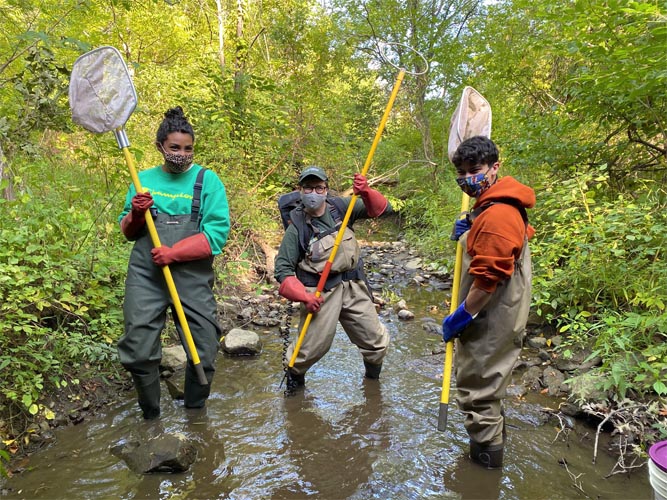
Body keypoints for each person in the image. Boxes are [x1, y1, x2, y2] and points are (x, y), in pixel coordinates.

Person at [117, 106, 230, 419]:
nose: (182, 154)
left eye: (188, 148)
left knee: (205, 351)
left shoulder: (208, 181)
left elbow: (215, 237)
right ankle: (151, 416)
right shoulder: (142, 180)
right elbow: (128, 232)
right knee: (138, 350)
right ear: (160, 147)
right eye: (175, 147)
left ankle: (195, 414)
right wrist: (137, 213)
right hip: (146, 277)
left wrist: (174, 253)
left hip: (191, 277)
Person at [442, 135, 535, 468]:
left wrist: (462, 315)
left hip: (493, 313)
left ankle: (483, 475)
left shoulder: (498, 214)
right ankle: (490, 452)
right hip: (496, 310)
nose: (469, 178)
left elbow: (487, 279)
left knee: (478, 391)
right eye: (463, 172)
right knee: (487, 389)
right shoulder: (492, 209)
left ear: (495, 168)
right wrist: (471, 227)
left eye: (476, 170)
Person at [274, 166, 390, 390]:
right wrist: (303, 297)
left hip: (353, 285)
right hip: (318, 292)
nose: (313, 193)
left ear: (326, 189)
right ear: (300, 190)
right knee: (306, 352)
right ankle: (294, 389)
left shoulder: (342, 208)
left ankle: (372, 386)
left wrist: (365, 191)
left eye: (319, 187)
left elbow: (380, 209)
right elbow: (283, 271)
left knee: (376, 343)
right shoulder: (296, 228)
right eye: (308, 188)